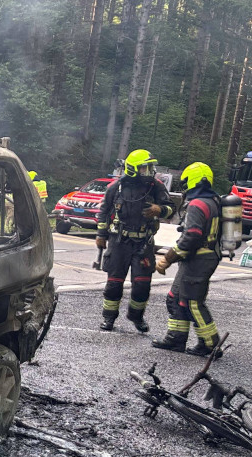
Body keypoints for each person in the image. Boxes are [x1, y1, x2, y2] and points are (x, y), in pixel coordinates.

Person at [95, 149, 174, 332]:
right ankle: (109, 318)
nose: (150, 171)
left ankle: (136, 317)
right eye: (145, 168)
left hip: (143, 243)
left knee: (142, 285)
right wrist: (101, 235)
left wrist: (159, 209)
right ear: (133, 169)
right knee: (114, 284)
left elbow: (171, 208)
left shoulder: (156, 186)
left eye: (150, 167)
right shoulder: (116, 187)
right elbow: (103, 211)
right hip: (118, 242)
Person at [152, 162, 223, 357]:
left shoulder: (197, 204)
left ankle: (211, 344)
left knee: (192, 302)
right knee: (176, 298)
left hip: (200, 259)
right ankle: (176, 339)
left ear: (193, 180)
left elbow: (191, 236)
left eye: (185, 182)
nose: (184, 187)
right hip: (200, 258)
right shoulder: (212, 200)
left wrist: (167, 258)